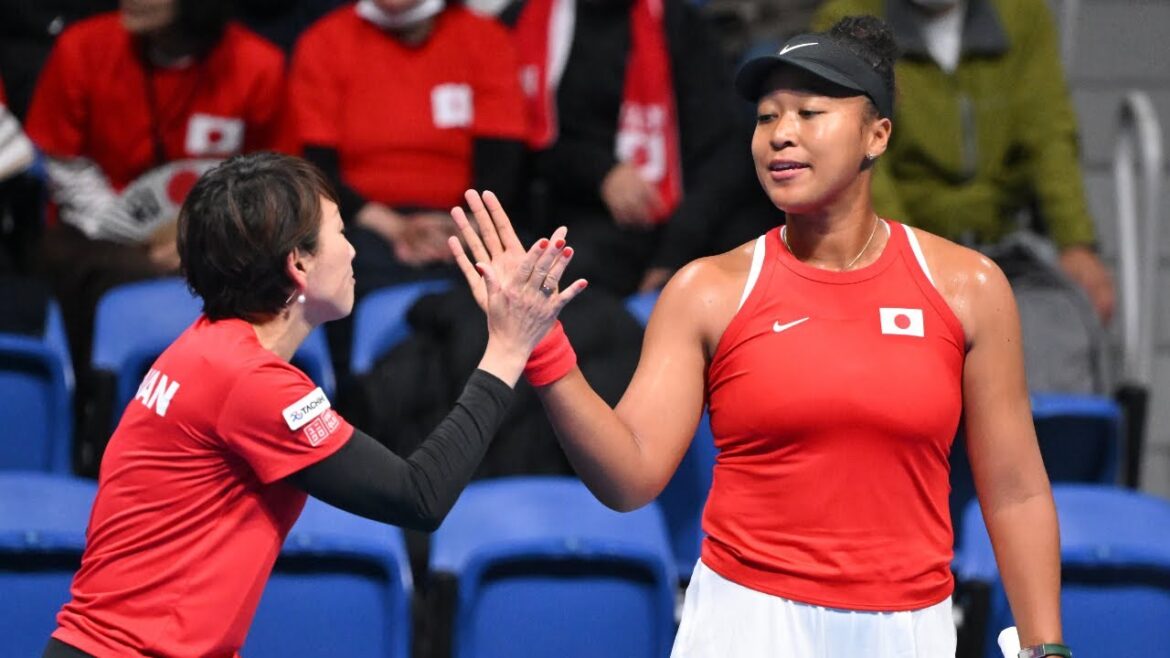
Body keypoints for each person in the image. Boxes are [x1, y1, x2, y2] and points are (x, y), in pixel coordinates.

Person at [451, 16, 1070, 658]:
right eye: (766, 117)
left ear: (876, 135)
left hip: (910, 626)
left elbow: (1017, 490)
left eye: (809, 112)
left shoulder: (969, 286)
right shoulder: (707, 290)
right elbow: (628, 476)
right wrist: (541, 345)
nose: (781, 135)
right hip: (746, 621)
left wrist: (1044, 647)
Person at [41, 152, 585, 658]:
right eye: (341, 232)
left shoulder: (206, 350)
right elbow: (419, 496)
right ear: (298, 265)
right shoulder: (248, 381)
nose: (352, 251)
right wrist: (509, 348)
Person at [26, 0, 291, 388]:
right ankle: (96, 411)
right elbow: (64, 164)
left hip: (223, 244)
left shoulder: (257, 64)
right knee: (74, 261)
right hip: (98, 239)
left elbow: (275, 185)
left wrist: (206, 242)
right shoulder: (82, 47)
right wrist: (136, 236)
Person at [812, 0, 1114, 325]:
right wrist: (905, 258)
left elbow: (1050, 134)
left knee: (1063, 328)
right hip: (896, 245)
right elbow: (859, 163)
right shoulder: (846, 20)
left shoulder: (1023, 15)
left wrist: (1076, 243)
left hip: (1004, 247)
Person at [508, 0, 777, 297]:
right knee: (561, 283)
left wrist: (673, 253)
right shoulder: (528, 21)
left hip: (690, 219)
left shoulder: (679, 23)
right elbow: (527, 144)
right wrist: (602, 173)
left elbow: (725, 149)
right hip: (587, 216)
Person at [289, 0, 530, 298]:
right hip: (361, 222)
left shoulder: (485, 38)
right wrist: (394, 228)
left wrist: (465, 228)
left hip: (464, 223)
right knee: (338, 267)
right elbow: (315, 168)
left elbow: (502, 161)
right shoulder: (323, 41)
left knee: (521, 274)